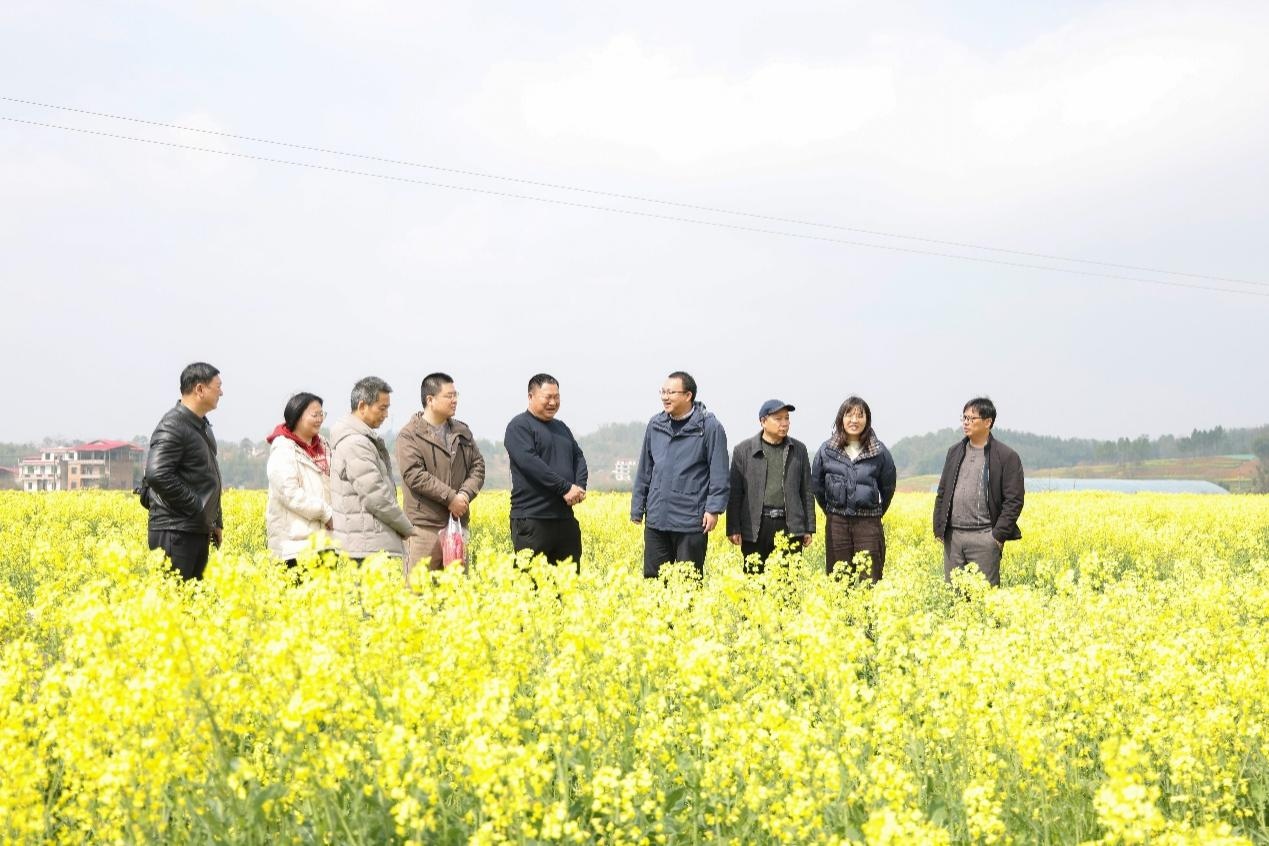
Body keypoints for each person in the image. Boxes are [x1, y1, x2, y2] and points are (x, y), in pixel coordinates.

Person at [631, 371, 729, 578]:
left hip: (690, 521)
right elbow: (645, 469)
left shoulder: (709, 427)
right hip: (657, 519)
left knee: (688, 582)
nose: (665, 397)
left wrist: (713, 509)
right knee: (654, 580)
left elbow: (719, 472)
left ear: (688, 395)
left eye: (671, 393)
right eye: (663, 392)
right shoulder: (655, 424)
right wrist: (637, 508)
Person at [396, 372, 486, 577]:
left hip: (457, 527)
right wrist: (450, 498)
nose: (455, 400)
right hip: (423, 529)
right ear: (430, 400)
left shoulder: (462, 431)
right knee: (418, 591)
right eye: (449, 396)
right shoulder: (409, 435)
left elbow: (478, 466)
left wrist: (464, 495)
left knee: (456, 591)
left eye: (456, 395)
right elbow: (414, 474)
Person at [142, 362, 224, 580]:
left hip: (194, 528)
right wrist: (197, 506)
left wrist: (215, 521)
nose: (221, 393)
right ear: (200, 389)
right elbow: (157, 474)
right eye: (218, 387)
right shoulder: (173, 425)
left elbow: (208, 476)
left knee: (192, 599)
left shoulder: (201, 425)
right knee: (174, 599)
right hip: (175, 531)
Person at [932, 397, 1025, 587]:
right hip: (953, 538)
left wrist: (997, 536)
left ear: (988, 422)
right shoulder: (954, 452)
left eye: (971, 418)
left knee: (985, 598)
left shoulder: (1006, 456)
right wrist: (939, 528)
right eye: (964, 418)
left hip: (985, 537)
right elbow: (942, 492)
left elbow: (1014, 500)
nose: (966, 422)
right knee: (954, 597)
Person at [505, 374, 588, 569]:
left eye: (556, 397)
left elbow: (578, 457)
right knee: (531, 581)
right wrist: (565, 488)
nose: (553, 402)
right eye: (547, 397)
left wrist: (578, 487)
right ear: (531, 396)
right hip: (533, 519)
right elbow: (531, 464)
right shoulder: (519, 426)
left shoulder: (561, 428)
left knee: (568, 582)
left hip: (564, 518)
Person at [811, 396, 897, 583]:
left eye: (860, 415)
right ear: (841, 418)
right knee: (839, 580)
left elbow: (888, 486)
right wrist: (832, 511)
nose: (854, 420)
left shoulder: (879, 451)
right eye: (849, 415)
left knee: (870, 579)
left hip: (869, 523)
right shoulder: (827, 450)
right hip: (837, 523)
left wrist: (875, 512)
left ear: (867, 420)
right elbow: (817, 485)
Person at [329, 376, 416, 561]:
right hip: (367, 546)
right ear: (362, 406)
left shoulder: (360, 439)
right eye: (382, 408)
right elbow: (376, 495)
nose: (386, 415)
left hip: (367, 542)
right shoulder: (356, 444)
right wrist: (405, 527)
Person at [726, 400, 815, 573]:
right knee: (754, 580)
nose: (784, 423)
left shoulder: (799, 449)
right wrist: (733, 527)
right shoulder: (743, 450)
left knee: (788, 581)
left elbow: (806, 491)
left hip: (789, 525)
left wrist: (808, 528)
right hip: (756, 526)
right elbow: (735, 493)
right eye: (778, 419)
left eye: (787, 418)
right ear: (763, 421)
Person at [265, 392, 334, 569]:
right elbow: (290, 494)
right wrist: (326, 513)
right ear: (297, 416)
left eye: (322, 414)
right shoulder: (283, 450)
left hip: (325, 543)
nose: (319, 419)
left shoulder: (324, 446)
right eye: (314, 415)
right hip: (295, 548)